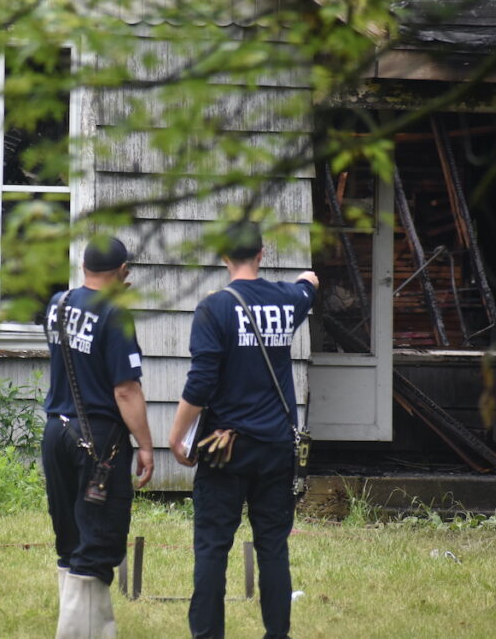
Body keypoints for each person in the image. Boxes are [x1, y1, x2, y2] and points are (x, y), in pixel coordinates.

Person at [168, 222, 319, 639]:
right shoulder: (287, 302)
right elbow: (308, 286)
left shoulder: (214, 309)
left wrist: (176, 436)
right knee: (273, 547)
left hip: (226, 449)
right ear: (262, 253)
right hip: (276, 447)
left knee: (213, 547)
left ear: (223, 256)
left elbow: (201, 384)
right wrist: (307, 280)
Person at [41, 236, 154, 639]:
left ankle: (87, 628)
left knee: (70, 539)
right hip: (98, 439)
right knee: (99, 539)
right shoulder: (115, 314)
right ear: (122, 271)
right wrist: (145, 445)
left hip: (56, 430)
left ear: (84, 266)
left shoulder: (58, 304)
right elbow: (126, 390)